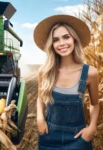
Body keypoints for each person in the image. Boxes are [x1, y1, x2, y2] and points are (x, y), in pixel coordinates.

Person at [34, 14, 99, 150]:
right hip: (49, 136)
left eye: (66, 37)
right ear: (51, 45)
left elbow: (95, 104)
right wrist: (40, 118)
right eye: (56, 40)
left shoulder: (90, 73)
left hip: (78, 138)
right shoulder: (45, 71)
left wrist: (92, 128)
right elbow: (40, 97)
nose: (61, 43)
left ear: (74, 39)